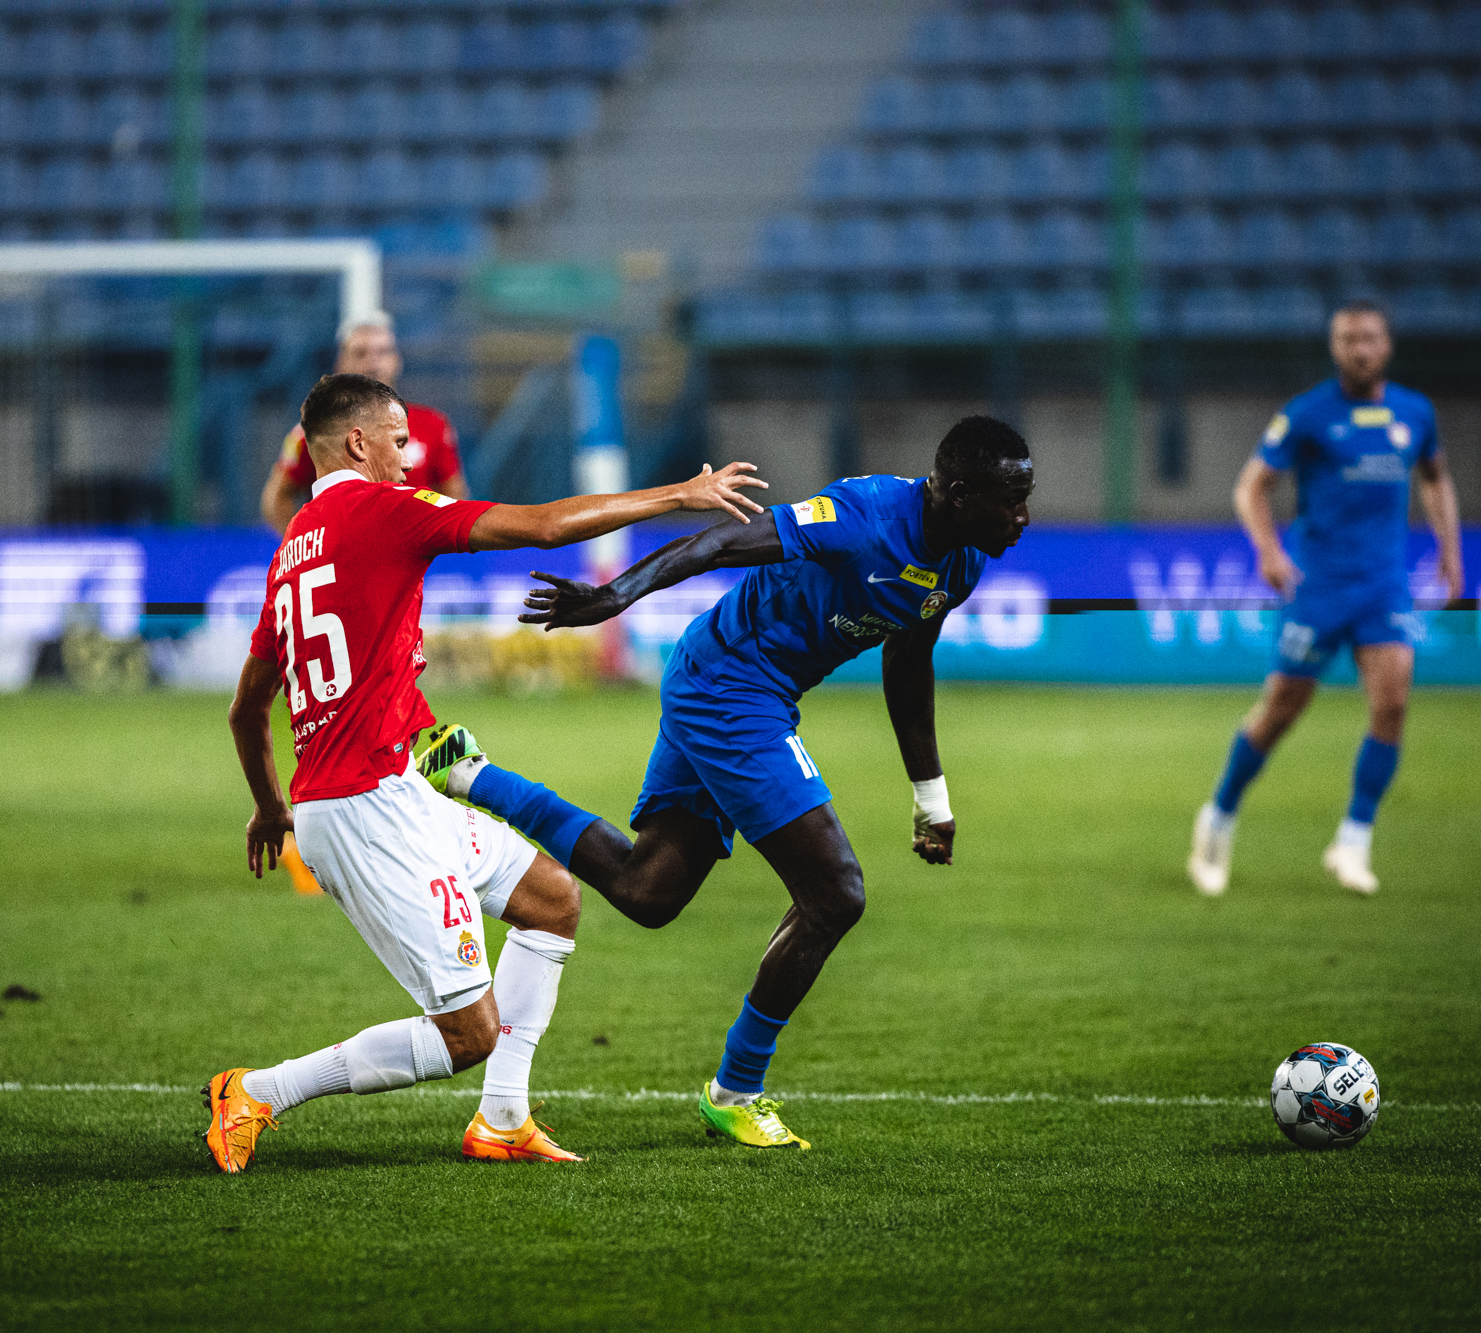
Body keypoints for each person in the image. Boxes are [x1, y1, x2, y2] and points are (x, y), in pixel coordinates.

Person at [417, 418, 1034, 1151]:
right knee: (836, 893)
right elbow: (716, 543)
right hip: (731, 686)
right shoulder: (864, 514)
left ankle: (468, 771)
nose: (1023, 517)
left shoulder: (962, 562)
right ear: (959, 494)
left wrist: (931, 798)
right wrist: (616, 596)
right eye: (1011, 501)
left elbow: (907, 663)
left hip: (733, 685)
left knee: (649, 891)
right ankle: (736, 1090)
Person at [206, 372, 767, 1173]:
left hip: (381, 788)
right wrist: (680, 494)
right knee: (466, 1034)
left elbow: (246, 709)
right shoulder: (382, 510)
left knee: (551, 899)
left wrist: (270, 808)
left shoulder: (293, 548)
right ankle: (257, 1090)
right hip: (366, 809)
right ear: (358, 443)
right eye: (399, 440)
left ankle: (502, 1119)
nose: (410, 458)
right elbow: (543, 526)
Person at [1187, 300, 1464, 898]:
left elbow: (1436, 477)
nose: (1360, 349)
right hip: (1318, 588)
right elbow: (1251, 486)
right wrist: (1267, 550)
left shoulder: (1415, 412)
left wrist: (1450, 549)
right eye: (1348, 339)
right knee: (1281, 711)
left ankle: (1354, 840)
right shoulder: (1307, 414)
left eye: (1369, 338)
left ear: (1387, 344)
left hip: (1383, 586)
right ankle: (1219, 815)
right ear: (1335, 348)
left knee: (1392, 704)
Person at [259, 312, 469, 534]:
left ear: (397, 360)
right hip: (342, 553)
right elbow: (276, 499)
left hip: (413, 552)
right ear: (341, 363)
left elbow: (454, 496)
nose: (373, 363)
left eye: (383, 352)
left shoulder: (434, 425)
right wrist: (304, 542)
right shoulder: (313, 430)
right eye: (360, 353)